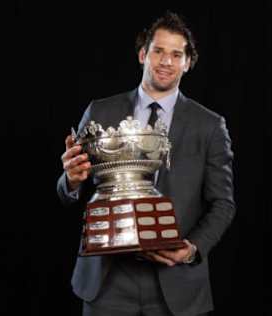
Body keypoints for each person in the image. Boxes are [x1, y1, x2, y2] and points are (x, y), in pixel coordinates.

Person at [57, 11, 235, 316]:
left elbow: (223, 204)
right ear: (143, 55)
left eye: (176, 54)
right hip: (107, 280)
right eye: (158, 51)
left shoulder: (209, 126)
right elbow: (68, 191)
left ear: (187, 63)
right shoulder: (100, 111)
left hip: (176, 283)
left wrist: (191, 249)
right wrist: (71, 181)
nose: (166, 61)